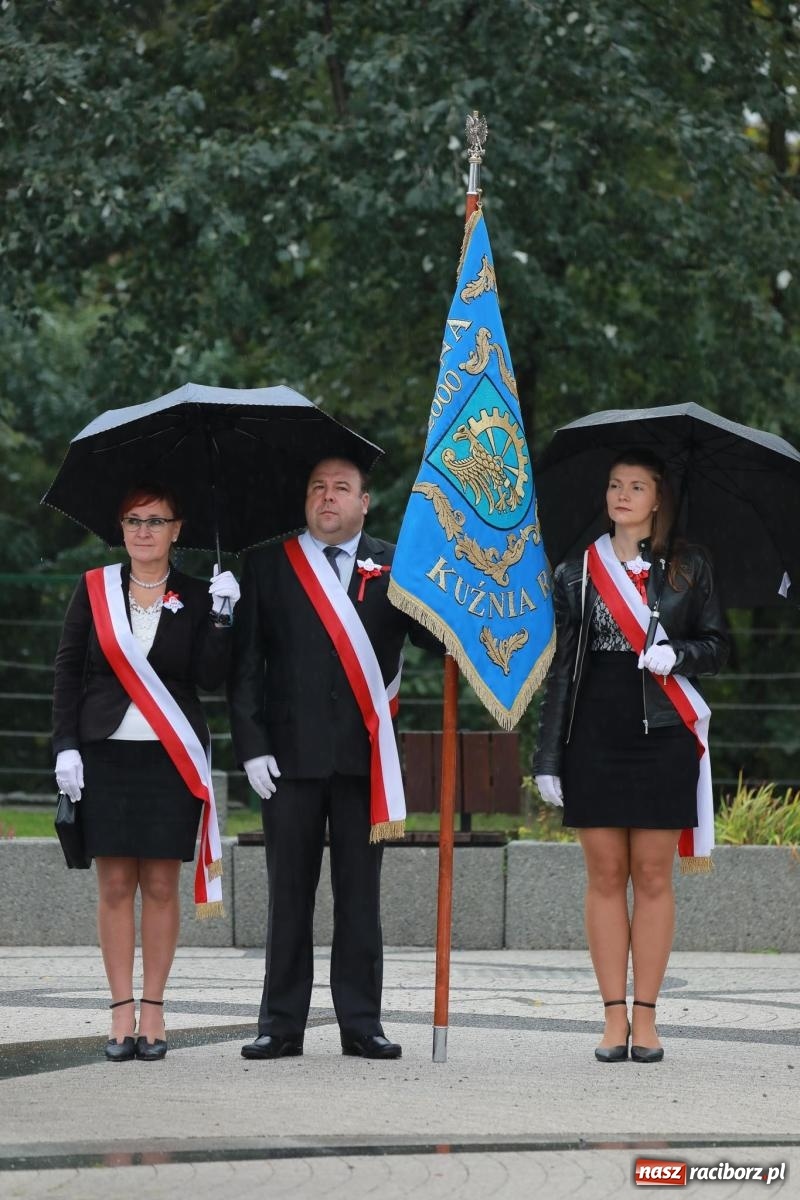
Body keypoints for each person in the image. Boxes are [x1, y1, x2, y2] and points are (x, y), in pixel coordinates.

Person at [228, 456, 441, 1061]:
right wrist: (251, 747)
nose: (328, 498)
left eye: (341, 488)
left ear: (365, 501)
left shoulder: (397, 565)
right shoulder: (268, 564)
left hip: (363, 760)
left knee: (360, 899)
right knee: (287, 896)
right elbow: (245, 670)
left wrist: (463, 597)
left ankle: (361, 1023)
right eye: (317, 487)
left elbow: (434, 636)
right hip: (287, 763)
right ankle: (280, 1024)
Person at [533, 449, 728, 1063]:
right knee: (604, 876)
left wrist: (680, 655)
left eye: (636, 487)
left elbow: (718, 644)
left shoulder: (688, 567)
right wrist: (547, 755)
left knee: (651, 876)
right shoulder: (576, 572)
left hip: (664, 731)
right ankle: (611, 1019)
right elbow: (561, 668)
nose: (622, 495)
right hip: (593, 734)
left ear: (657, 499)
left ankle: (646, 1018)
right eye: (615, 485)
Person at [52, 483, 240, 1062]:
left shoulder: (199, 592)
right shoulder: (94, 590)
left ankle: (154, 1008)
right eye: (133, 520)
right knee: (113, 885)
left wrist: (224, 616)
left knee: (160, 884)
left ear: (177, 529)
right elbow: (68, 670)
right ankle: (118, 1010)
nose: (143, 530)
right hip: (104, 754)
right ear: (122, 528)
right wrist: (65, 747)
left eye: (156, 520)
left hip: (170, 756)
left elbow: (209, 677)